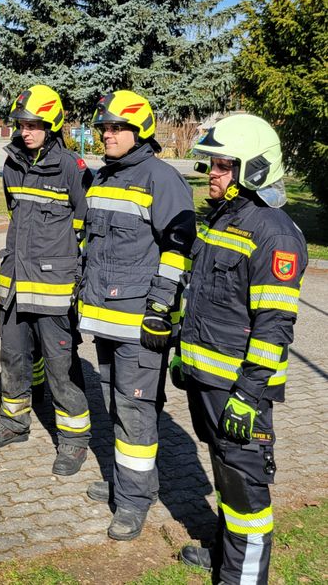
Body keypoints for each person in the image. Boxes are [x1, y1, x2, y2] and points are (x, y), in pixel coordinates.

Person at [173, 114, 306, 585]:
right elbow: (203, 296)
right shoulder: (221, 218)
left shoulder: (275, 234)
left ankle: (241, 579)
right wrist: (183, 353)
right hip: (205, 380)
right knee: (226, 478)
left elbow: (274, 328)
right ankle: (226, 557)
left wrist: (249, 396)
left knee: (247, 493)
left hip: (238, 391)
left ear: (253, 170)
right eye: (214, 164)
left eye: (224, 165)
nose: (212, 172)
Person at [77, 90, 196, 540]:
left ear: (139, 132)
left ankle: (131, 503)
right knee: (116, 405)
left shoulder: (161, 179)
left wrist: (162, 305)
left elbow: (179, 247)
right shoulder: (106, 178)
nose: (107, 134)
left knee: (136, 411)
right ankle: (131, 483)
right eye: (104, 128)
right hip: (105, 318)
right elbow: (94, 246)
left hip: (140, 325)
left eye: (117, 128)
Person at [0, 85, 93, 476]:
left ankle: (74, 441)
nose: (25, 131)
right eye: (22, 124)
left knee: (61, 367)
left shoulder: (71, 169)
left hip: (55, 287)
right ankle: (14, 423)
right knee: (12, 357)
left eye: (34, 125)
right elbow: (16, 215)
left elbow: (84, 226)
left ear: (53, 125)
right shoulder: (11, 165)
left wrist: (75, 279)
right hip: (15, 281)